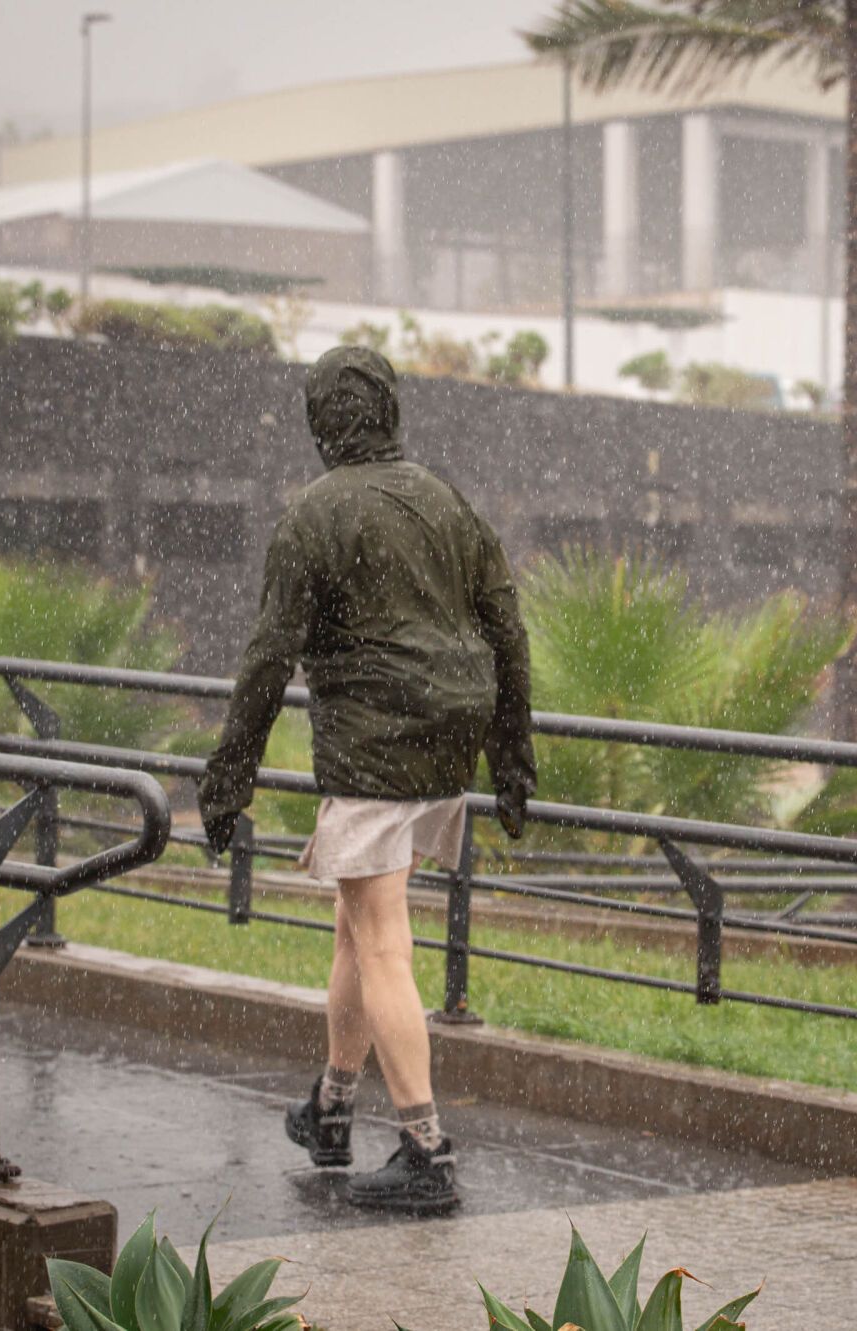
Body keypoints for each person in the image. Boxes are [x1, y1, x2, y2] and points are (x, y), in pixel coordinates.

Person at [198, 344, 535, 1217]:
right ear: (390, 412)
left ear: (320, 426)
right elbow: (506, 625)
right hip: (445, 739)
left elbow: (269, 657)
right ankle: (333, 1110)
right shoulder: (445, 500)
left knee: (383, 941)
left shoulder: (313, 516)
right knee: (357, 926)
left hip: (375, 750)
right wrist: (513, 757)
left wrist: (227, 780)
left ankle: (428, 1151)